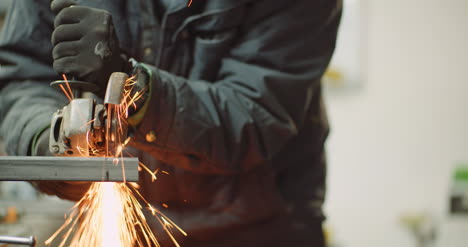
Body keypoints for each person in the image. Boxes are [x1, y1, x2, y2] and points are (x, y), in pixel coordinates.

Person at [0, 0, 341, 246]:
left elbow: (254, 114)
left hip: (256, 229)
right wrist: (51, 140)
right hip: (126, 229)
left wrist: (134, 88)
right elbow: (23, 77)